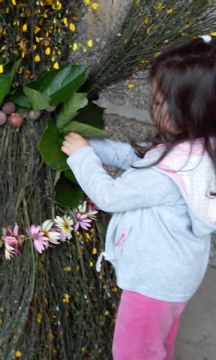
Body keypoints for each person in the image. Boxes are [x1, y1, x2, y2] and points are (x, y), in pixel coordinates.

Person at [61, 36, 216, 360]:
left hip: (153, 285)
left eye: (161, 103)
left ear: (193, 109)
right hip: (176, 279)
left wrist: (82, 158)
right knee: (157, 345)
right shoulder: (196, 148)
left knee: (132, 352)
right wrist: (94, 147)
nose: (153, 108)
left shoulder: (168, 175)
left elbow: (109, 196)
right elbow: (139, 157)